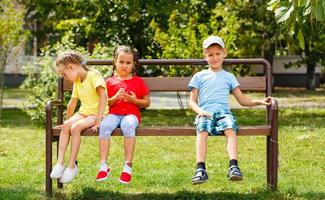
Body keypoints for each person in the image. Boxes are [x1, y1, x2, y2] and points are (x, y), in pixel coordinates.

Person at [189, 36, 272, 185]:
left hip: (223, 113)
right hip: (205, 112)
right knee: (202, 129)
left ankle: (233, 166)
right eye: (210, 55)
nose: (214, 58)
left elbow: (242, 100)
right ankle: (200, 169)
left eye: (217, 53)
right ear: (205, 56)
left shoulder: (229, 77)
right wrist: (199, 111)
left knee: (230, 128)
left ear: (224, 53)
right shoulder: (199, 76)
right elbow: (192, 101)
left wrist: (260, 101)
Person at [50, 50, 108, 183]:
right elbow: (72, 102)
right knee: (67, 126)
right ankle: (60, 163)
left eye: (64, 74)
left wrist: (98, 120)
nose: (64, 77)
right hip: (83, 113)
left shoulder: (94, 75)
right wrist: (66, 122)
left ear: (71, 67)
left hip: (97, 114)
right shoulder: (77, 80)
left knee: (76, 128)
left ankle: (71, 166)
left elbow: (103, 96)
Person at [96, 45, 150, 184]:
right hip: (113, 114)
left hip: (131, 115)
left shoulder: (138, 82)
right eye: (121, 62)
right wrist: (114, 98)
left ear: (133, 64)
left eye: (128, 63)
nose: (124, 65)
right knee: (105, 125)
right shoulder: (109, 82)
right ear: (115, 61)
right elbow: (104, 103)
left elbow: (146, 103)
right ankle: (103, 165)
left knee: (128, 125)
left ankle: (128, 165)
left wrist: (133, 100)